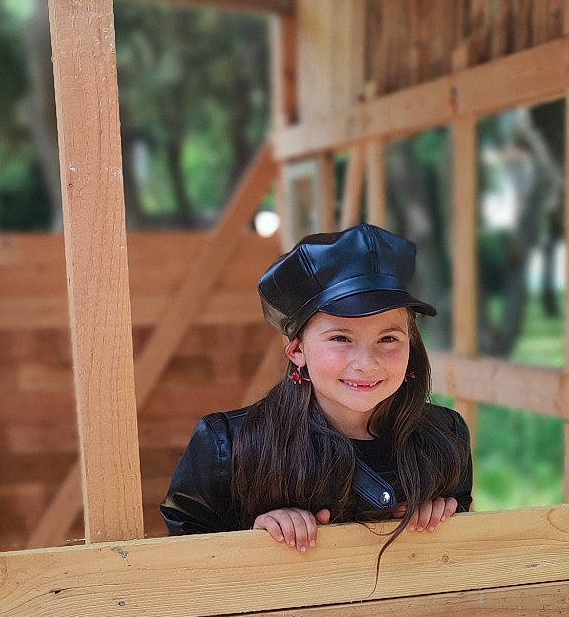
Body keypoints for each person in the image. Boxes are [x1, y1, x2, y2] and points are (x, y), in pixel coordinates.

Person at [160, 221, 473, 551]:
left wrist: (441, 517)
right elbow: (184, 556)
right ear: (297, 351)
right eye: (341, 338)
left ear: (411, 344)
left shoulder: (446, 438)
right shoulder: (227, 445)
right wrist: (255, 536)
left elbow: (462, 553)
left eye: (388, 339)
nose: (366, 363)